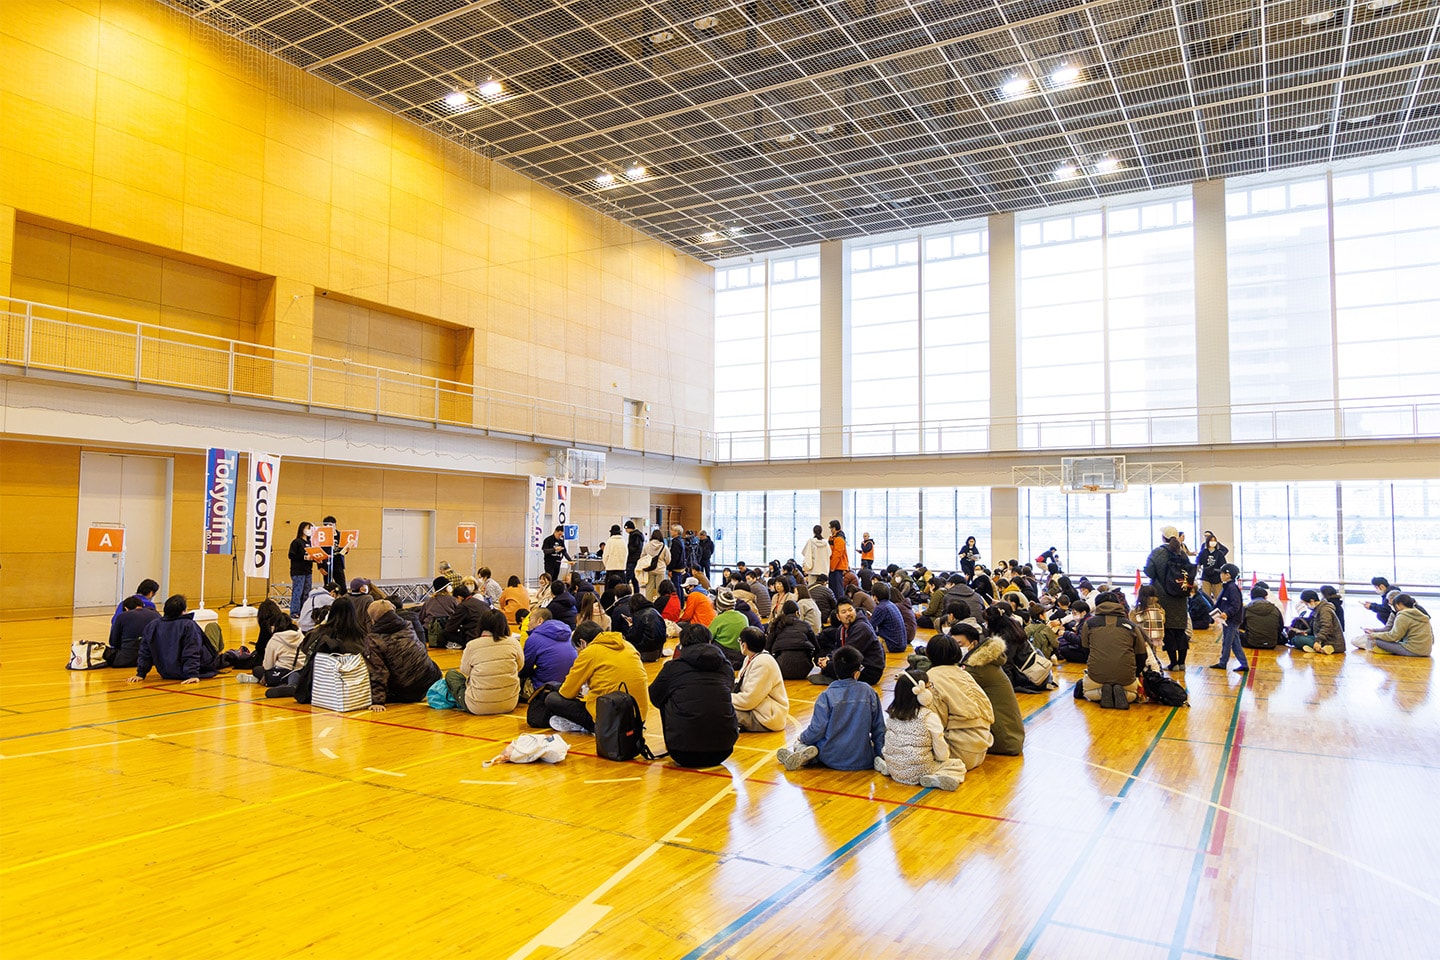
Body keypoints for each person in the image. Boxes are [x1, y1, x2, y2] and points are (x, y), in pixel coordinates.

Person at [776, 646, 885, 772]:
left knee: (803, 742)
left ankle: (804, 753)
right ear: (856, 673)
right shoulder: (869, 692)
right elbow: (879, 728)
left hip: (830, 758)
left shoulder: (826, 696)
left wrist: (803, 738)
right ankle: (879, 762)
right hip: (862, 759)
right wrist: (879, 753)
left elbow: (817, 729)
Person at [648, 623, 739, 768]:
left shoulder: (673, 667)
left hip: (682, 752)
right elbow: (729, 690)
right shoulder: (725, 666)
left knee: (669, 696)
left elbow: (655, 696)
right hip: (724, 749)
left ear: (682, 644)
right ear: (709, 641)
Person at [873, 669, 970, 791]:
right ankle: (934, 778)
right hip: (921, 770)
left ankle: (887, 768)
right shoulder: (929, 717)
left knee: (897, 758)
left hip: (895, 768)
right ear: (922, 693)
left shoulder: (892, 714)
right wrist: (943, 758)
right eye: (929, 687)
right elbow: (941, 753)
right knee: (957, 765)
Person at [544, 627, 651, 733]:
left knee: (552, 698)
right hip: (638, 718)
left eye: (577, 649)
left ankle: (585, 726)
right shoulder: (627, 645)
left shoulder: (589, 652)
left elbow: (566, 693)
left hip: (609, 722)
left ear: (583, 643)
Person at [917, 631, 995, 764]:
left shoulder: (931, 678)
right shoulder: (965, 673)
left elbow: (935, 721)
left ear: (929, 654)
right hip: (982, 747)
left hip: (957, 750)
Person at [361, 600, 442, 711]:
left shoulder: (374, 639)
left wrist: (377, 701)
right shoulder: (408, 626)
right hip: (431, 679)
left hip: (408, 692)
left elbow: (378, 671)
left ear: (373, 618)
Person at [127, 595, 218, 685]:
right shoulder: (188, 625)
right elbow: (192, 651)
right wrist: (192, 674)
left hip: (166, 672)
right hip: (194, 669)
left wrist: (141, 673)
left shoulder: (153, 625)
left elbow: (145, 651)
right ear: (183, 611)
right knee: (212, 626)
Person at [1079, 595, 1147, 706]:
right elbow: (1142, 655)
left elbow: (1085, 650)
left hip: (1097, 675)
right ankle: (1124, 693)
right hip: (1126, 677)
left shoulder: (1089, 624)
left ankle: (1102, 692)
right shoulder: (1132, 626)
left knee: (1088, 692)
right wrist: (1134, 673)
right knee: (1132, 695)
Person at [453, 610, 524, 715]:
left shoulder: (472, 645)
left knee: (452, 676)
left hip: (477, 706)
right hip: (510, 703)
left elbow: (465, 670)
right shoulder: (514, 643)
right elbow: (520, 666)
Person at [1145, 525, 1194, 672]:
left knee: (1168, 631)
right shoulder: (1182, 553)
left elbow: (1149, 572)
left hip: (1163, 596)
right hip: (1181, 597)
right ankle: (1182, 663)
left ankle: (1173, 663)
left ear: (1163, 537)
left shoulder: (1157, 552)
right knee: (1180, 631)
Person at [812, 600, 884, 686]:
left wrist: (828, 663)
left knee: (832, 667)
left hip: (869, 669)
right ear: (838, 617)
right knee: (829, 663)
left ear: (855, 611)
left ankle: (834, 675)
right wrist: (827, 658)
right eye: (844, 612)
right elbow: (838, 649)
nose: (848, 614)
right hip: (855, 663)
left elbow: (849, 652)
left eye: (850, 610)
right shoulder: (841, 629)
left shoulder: (862, 627)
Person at [732, 628, 789, 732]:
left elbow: (748, 700)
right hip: (758, 709)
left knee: (720, 711)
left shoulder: (763, 663)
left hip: (766, 716)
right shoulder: (751, 658)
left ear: (744, 645)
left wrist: (725, 698)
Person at [520, 608, 577, 691]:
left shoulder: (534, 638)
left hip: (545, 686)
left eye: (530, 620)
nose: (528, 624)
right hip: (569, 685)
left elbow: (525, 669)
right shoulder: (567, 633)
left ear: (540, 621)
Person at [1363, 594, 1433, 657]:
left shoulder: (1403, 615)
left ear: (1399, 604)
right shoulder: (1420, 614)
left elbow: (1393, 636)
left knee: (1375, 641)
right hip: (1426, 651)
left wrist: (1373, 635)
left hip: (1413, 650)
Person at [1210, 564, 1248, 673]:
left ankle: (1223, 663)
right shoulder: (1227, 587)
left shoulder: (1232, 588)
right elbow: (1221, 602)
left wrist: (1227, 613)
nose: (1220, 575)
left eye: (1222, 573)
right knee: (1235, 643)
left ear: (1228, 575)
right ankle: (1244, 664)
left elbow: (1236, 604)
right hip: (1229, 620)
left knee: (1227, 642)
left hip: (1232, 620)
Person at [765, 600, 817, 680]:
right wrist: (809, 656)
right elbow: (817, 647)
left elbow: (767, 648)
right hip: (804, 669)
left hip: (781, 668)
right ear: (797, 613)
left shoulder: (777, 625)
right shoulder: (805, 625)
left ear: (783, 613)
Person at [104, 595, 160, 668]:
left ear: (126, 608)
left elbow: (113, 642)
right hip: (152, 659)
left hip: (126, 659)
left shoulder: (122, 616)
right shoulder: (156, 614)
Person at [1294, 589, 1345, 655]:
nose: (1307, 606)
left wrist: (1318, 641)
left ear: (1312, 601)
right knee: (1295, 638)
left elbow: (1327, 627)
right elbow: (1316, 627)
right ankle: (1319, 649)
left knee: (1297, 640)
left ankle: (1321, 648)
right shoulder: (1318, 609)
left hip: (1331, 642)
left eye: (1306, 604)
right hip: (1323, 638)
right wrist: (1306, 632)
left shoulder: (1325, 610)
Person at [708, 588, 749, 668]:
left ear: (720, 606)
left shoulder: (719, 619)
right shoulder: (743, 617)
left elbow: (708, 637)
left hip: (724, 655)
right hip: (741, 655)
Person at [442, 583, 489, 649]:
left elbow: (450, 627)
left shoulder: (463, 606)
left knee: (446, 633)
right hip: (487, 635)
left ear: (459, 597)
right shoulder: (482, 603)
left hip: (473, 637)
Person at [625, 592, 668, 662]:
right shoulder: (655, 611)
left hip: (646, 651)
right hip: (659, 649)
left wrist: (630, 627)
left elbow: (634, 636)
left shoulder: (638, 615)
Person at [286, 521, 315, 618]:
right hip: (298, 571)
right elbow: (291, 555)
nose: (309, 530)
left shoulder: (310, 543)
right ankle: (294, 612)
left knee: (306, 592)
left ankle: (304, 611)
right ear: (302, 529)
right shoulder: (296, 542)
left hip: (308, 571)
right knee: (297, 592)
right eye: (308, 528)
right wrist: (304, 557)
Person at [1241, 585, 1284, 649]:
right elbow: (1281, 626)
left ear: (1251, 597)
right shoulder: (1275, 609)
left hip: (1251, 643)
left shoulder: (1247, 608)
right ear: (1265, 597)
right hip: (1271, 644)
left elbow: (1241, 625)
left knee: (1234, 632)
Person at [869, 583, 906, 653]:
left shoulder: (881, 608)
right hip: (901, 644)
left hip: (892, 645)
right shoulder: (891, 604)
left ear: (875, 596)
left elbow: (869, 626)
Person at [1194, 531, 1229, 602]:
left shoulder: (1219, 553)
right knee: (1205, 598)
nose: (1213, 542)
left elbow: (1223, 565)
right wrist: (1195, 575)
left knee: (1219, 598)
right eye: (1211, 541)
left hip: (1217, 578)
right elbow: (1198, 564)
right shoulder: (1203, 552)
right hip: (1206, 577)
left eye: (1214, 541)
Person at [1132, 585, 1165, 657]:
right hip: (1157, 636)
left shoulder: (1138, 609)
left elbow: (1133, 623)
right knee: (1153, 654)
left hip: (1143, 636)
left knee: (1143, 654)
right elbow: (1163, 620)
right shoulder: (1159, 608)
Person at [637, 529, 670, 600]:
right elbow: (668, 559)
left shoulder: (647, 546)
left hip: (650, 569)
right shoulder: (664, 547)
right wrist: (664, 564)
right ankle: (659, 603)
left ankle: (649, 603)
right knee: (660, 589)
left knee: (649, 588)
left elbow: (642, 556)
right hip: (660, 570)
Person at [319, 515, 347, 587]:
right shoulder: (322, 537)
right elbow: (319, 551)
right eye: (326, 525)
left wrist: (347, 549)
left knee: (342, 585)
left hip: (338, 563)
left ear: (335, 525)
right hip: (327, 563)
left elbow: (344, 550)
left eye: (330, 525)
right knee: (328, 585)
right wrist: (320, 566)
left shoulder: (340, 535)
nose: (328, 527)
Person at [826, 520, 849, 603]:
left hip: (837, 567)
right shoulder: (834, 538)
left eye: (831, 528)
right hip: (835, 567)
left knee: (837, 589)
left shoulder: (839, 539)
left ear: (834, 528)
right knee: (833, 588)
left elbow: (837, 555)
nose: (830, 530)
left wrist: (832, 567)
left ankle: (840, 604)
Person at [666, 523, 690, 599]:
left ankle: (678, 602)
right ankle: (681, 602)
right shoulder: (681, 540)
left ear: (676, 532)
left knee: (676, 586)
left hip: (676, 567)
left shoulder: (675, 542)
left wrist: (670, 569)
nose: (670, 532)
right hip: (681, 566)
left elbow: (675, 557)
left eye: (672, 530)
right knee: (679, 586)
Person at [624, 520, 644, 592]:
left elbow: (634, 548)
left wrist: (627, 549)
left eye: (626, 528)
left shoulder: (634, 535)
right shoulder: (638, 535)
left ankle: (625, 592)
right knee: (635, 579)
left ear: (630, 528)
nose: (626, 530)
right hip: (636, 560)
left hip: (632, 560)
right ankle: (636, 594)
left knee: (627, 578)